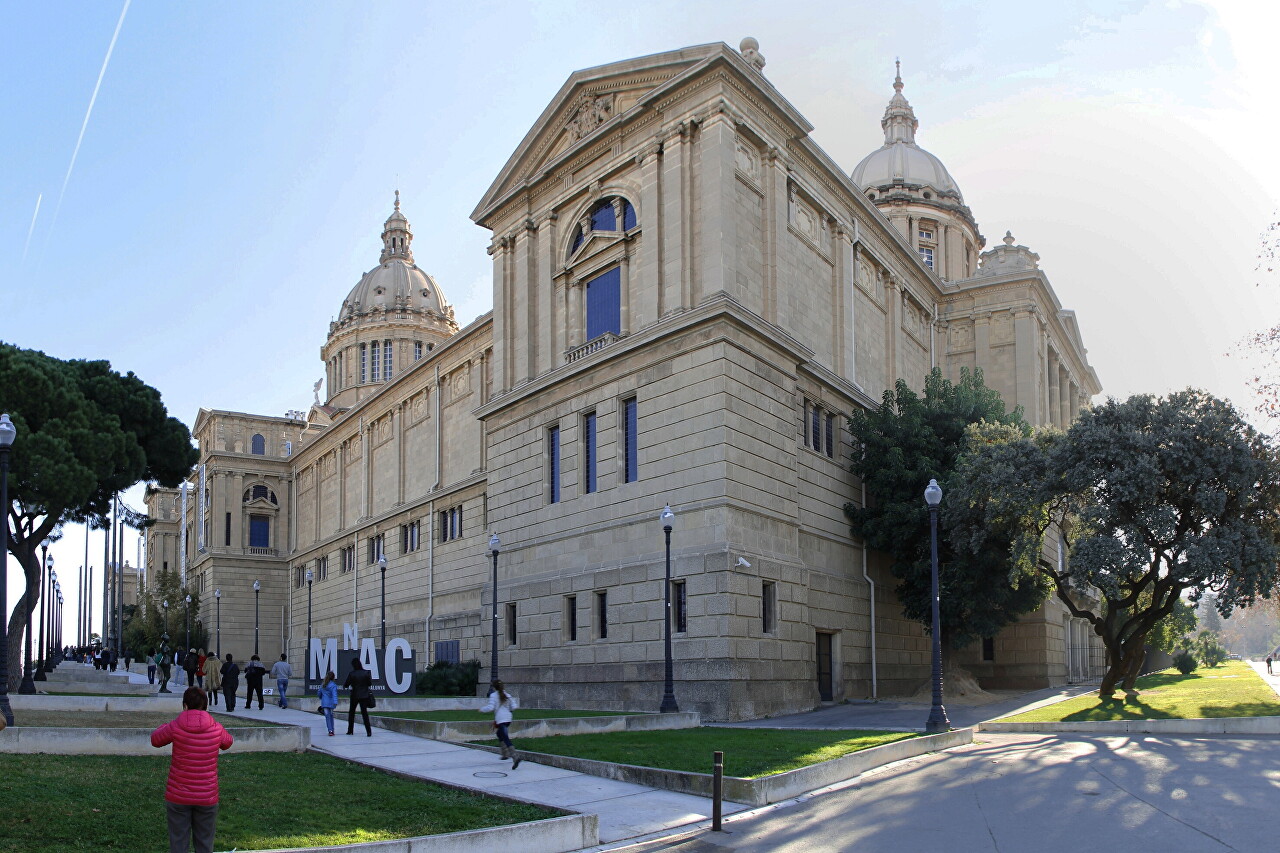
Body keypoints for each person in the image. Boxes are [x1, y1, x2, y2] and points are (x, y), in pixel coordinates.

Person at [151, 686, 234, 853]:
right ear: (206, 705)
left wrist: (165, 725)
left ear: (185, 705)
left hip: (178, 794)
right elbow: (228, 742)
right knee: (204, 843)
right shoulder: (216, 728)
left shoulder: (175, 726)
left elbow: (155, 740)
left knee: (178, 842)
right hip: (207, 795)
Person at [480, 679, 521, 768]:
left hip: (501, 719)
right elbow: (514, 707)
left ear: (494, 687)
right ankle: (505, 753)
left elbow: (491, 707)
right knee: (499, 733)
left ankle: (515, 756)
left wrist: (482, 709)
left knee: (505, 738)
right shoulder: (507, 695)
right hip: (508, 718)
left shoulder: (493, 695)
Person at [342, 657, 373, 736]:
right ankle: (368, 731)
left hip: (355, 695)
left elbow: (346, 684)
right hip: (364, 696)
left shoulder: (352, 674)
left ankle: (350, 730)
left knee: (352, 713)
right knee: (364, 714)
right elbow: (369, 683)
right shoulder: (366, 673)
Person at [318, 670, 339, 736]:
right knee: (331, 716)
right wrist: (335, 702)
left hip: (324, 703)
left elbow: (319, 693)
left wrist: (321, 697)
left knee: (327, 717)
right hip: (331, 703)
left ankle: (330, 730)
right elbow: (334, 694)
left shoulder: (323, 684)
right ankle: (332, 730)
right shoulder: (333, 685)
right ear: (333, 677)